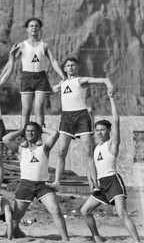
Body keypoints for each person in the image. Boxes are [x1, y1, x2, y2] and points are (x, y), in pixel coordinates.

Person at [80, 90, 142, 243]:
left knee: (121, 213)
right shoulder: (95, 148)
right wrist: (91, 184)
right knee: (84, 211)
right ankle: (96, 237)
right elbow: (90, 167)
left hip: (113, 181)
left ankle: (138, 241)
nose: (100, 132)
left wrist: (112, 98)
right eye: (97, 130)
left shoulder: (112, 144)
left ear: (108, 131)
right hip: (100, 184)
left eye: (103, 129)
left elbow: (116, 121)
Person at [48, 57, 114, 191]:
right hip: (66, 117)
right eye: (68, 65)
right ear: (64, 69)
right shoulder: (62, 83)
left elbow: (103, 79)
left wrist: (109, 85)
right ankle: (56, 182)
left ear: (77, 67)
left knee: (88, 152)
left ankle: (95, 186)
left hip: (82, 117)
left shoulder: (81, 80)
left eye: (73, 65)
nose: (70, 67)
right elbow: (48, 90)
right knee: (61, 151)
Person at [3, 122, 69, 241]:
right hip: (25, 185)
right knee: (17, 216)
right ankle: (13, 235)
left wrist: (42, 129)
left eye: (33, 131)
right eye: (28, 131)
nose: (30, 133)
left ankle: (65, 239)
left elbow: (55, 133)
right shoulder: (20, 149)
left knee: (56, 210)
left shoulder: (44, 147)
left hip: (42, 186)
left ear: (38, 133)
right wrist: (21, 131)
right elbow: (6, 139)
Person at [5, 17, 65, 128]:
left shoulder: (44, 46)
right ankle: (24, 136)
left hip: (41, 77)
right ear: (27, 29)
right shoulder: (21, 45)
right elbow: (11, 62)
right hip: (26, 77)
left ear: (40, 29)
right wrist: (2, 76)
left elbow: (53, 60)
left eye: (36, 26)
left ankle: (38, 137)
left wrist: (62, 75)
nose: (34, 28)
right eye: (31, 26)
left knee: (39, 109)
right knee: (26, 109)